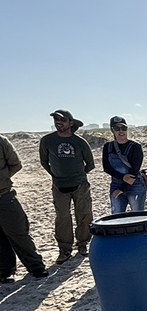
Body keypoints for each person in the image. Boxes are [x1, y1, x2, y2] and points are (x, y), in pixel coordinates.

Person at [39, 109, 95, 263]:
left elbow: (90, 164)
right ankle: (64, 249)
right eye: (56, 119)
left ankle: (83, 244)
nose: (58, 122)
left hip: (80, 185)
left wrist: (78, 175)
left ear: (70, 123)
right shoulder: (47, 140)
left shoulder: (80, 142)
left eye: (62, 120)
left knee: (84, 214)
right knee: (62, 218)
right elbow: (44, 162)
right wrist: (57, 175)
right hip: (59, 186)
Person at [0, 135, 48, 283]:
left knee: (19, 232)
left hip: (4, 196)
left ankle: (36, 267)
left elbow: (16, 164)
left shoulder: (1, 141)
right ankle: (5, 272)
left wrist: (2, 178)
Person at [102, 116, 147, 214]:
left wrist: (123, 188)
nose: (121, 131)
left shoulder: (135, 147)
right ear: (112, 130)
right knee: (116, 216)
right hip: (116, 184)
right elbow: (107, 167)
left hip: (136, 185)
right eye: (117, 128)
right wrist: (122, 178)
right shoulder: (108, 146)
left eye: (123, 128)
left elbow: (134, 171)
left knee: (138, 216)